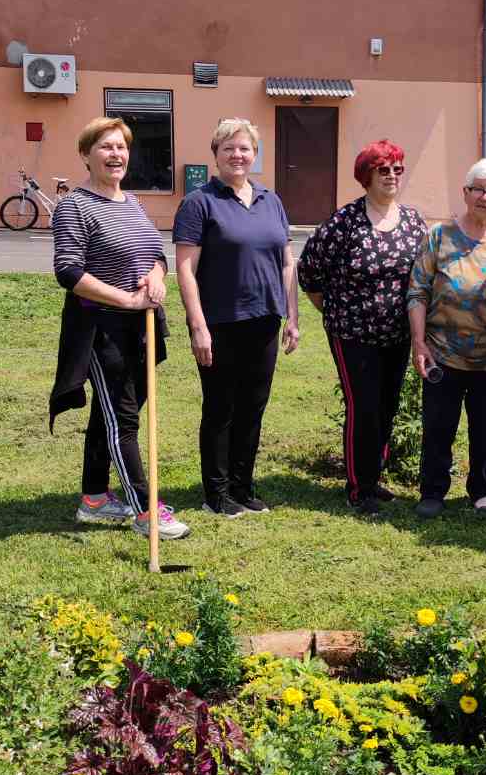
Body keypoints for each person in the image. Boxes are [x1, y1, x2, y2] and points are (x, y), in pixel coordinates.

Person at [49, 116, 189, 540]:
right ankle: (146, 511)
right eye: (106, 146)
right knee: (122, 421)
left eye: (121, 147)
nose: (116, 154)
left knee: (108, 415)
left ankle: (94, 499)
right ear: (85, 155)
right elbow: (69, 271)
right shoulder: (74, 206)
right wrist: (127, 299)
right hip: (102, 328)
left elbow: (155, 254)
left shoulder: (132, 203)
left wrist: (157, 277)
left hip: (141, 327)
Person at [172, 118, 299, 517]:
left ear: (254, 154)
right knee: (221, 408)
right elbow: (185, 269)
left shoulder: (271, 200)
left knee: (252, 407)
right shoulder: (200, 202)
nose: (237, 155)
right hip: (220, 323)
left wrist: (292, 316)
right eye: (228, 148)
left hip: (265, 321)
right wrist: (197, 325)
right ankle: (217, 493)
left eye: (244, 148)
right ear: (216, 154)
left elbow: (286, 262)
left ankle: (243, 487)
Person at [297, 139, 429, 516]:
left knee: (387, 406)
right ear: (366, 176)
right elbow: (309, 272)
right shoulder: (344, 222)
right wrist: (334, 310)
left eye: (397, 169)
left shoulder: (413, 222)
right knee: (364, 406)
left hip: (397, 333)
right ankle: (359, 487)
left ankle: (374, 475)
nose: (391, 176)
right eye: (382, 170)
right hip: (352, 333)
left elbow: (424, 275)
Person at [407, 157, 486, 518]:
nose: (484, 197)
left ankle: (482, 490)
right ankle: (432, 490)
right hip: (442, 353)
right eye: (478, 189)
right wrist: (419, 342)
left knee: (485, 428)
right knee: (438, 426)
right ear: (465, 192)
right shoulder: (439, 236)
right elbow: (417, 291)